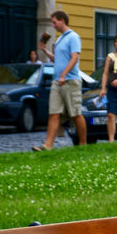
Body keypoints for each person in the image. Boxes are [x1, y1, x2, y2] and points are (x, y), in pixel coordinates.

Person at [33, 10, 86, 150]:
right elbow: (57, 60)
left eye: (55, 22)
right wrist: (45, 51)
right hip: (57, 81)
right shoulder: (60, 38)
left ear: (62, 20)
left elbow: (75, 57)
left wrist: (64, 74)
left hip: (70, 81)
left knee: (76, 114)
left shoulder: (73, 37)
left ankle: (83, 144)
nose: (53, 25)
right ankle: (47, 145)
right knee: (54, 113)